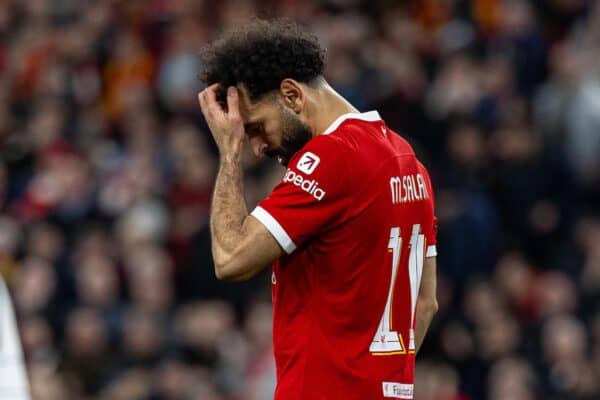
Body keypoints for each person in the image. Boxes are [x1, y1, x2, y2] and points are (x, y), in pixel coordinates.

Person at [198, 19, 438, 400]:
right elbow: (424, 303)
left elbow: (231, 258)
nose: (256, 149)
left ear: (292, 95)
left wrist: (229, 154)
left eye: (256, 128)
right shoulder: (410, 163)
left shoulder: (334, 155)